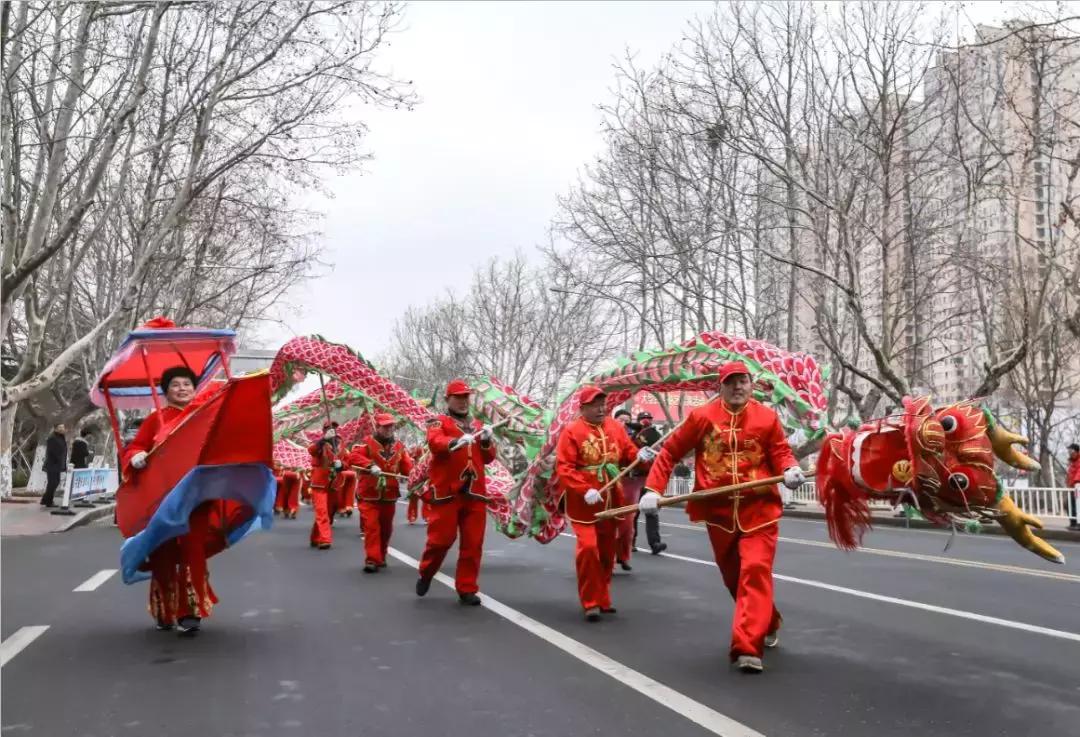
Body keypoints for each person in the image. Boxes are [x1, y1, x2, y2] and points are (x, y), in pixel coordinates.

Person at [642, 361, 805, 673]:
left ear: (751, 384)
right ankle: (767, 620)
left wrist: (790, 468)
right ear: (721, 386)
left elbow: (780, 451)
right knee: (734, 579)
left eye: (743, 381)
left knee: (754, 570)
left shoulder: (767, 417)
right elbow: (670, 452)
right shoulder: (701, 416)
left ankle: (747, 648)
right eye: (731, 382)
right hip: (719, 512)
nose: (738, 387)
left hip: (759, 510)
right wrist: (653, 489)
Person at [123, 366, 216, 635]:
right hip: (161, 497)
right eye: (175, 384)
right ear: (166, 391)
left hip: (197, 496)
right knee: (162, 552)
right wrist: (136, 456)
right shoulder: (156, 419)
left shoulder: (207, 416)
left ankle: (190, 611)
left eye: (187, 384)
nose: (182, 389)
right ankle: (165, 609)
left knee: (192, 550)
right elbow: (135, 446)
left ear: (195, 388)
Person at [556, 385, 655, 621]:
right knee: (588, 548)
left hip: (612, 497)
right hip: (583, 502)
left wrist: (641, 456)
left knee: (607, 551)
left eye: (603, 404)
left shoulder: (615, 427)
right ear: (583, 408)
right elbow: (564, 467)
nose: (601, 409)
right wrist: (585, 488)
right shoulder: (572, 431)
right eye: (595, 405)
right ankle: (590, 601)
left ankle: (603, 597)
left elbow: (629, 453)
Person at [415, 379, 497, 605]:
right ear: (447, 399)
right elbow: (435, 442)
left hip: (475, 492)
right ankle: (426, 572)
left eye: (465, 397)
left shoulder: (479, 425)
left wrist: (487, 441)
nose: (463, 401)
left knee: (473, 543)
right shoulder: (437, 421)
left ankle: (467, 588)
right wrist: (455, 441)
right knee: (440, 541)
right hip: (447, 493)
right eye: (458, 397)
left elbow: (488, 458)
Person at [349, 414, 414, 572]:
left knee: (386, 529)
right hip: (369, 493)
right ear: (377, 427)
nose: (388, 429)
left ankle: (381, 555)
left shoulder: (399, 447)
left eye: (391, 426)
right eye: (385, 426)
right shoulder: (366, 443)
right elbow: (353, 457)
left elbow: (407, 468)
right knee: (371, 527)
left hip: (389, 493)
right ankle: (372, 559)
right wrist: (370, 465)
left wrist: (416, 477)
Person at [616, 411, 667, 566]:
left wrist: (644, 456)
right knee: (618, 521)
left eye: (627, 420)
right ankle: (616, 553)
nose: (624, 423)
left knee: (646, 512)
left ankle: (651, 544)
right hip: (616, 481)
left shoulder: (649, 436)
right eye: (621, 420)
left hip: (641, 480)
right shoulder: (609, 434)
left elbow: (660, 456)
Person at [308, 422, 344, 550]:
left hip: (334, 483)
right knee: (322, 511)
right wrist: (323, 439)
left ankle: (315, 537)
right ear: (324, 431)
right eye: (328, 428)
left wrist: (342, 465)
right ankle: (325, 539)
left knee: (327, 512)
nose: (332, 430)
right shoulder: (319, 444)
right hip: (319, 483)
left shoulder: (341, 444)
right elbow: (311, 451)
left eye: (334, 428)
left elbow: (348, 460)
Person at [40, 424, 68, 507]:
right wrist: (58, 459)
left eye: (63, 427)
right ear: (55, 429)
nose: (62, 429)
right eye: (60, 427)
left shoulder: (61, 438)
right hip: (52, 464)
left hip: (58, 464)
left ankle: (46, 500)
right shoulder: (52, 438)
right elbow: (53, 452)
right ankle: (48, 501)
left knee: (55, 482)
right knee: (53, 483)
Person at [1067, 443, 1080, 531]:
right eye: (1069, 451)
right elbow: (1070, 474)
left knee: (1077, 504)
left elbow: (1078, 473)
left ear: (1077, 451)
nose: (1070, 453)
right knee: (1070, 504)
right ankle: (1073, 522)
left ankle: (1078, 523)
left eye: (1072, 451)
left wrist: (1076, 482)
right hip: (1072, 487)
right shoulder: (1072, 462)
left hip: (1077, 487)